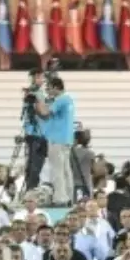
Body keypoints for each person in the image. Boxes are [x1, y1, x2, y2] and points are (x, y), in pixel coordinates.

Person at [38, 75, 77, 205]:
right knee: (66, 169)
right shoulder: (69, 99)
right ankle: (69, 196)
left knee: (57, 169)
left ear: (56, 87)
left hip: (57, 139)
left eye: (49, 88)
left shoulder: (60, 100)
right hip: (67, 139)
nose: (48, 91)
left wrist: (38, 102)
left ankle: (60, 198)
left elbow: (45, 113)